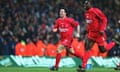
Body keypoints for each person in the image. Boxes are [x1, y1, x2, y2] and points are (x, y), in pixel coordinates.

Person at [77, 0, 118, 72]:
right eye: (85, 4)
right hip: (92, 34)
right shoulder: (86, 13)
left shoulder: (95, 11)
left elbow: (104, 19)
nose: (86, 5)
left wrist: (102, 29)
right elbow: (90, 24)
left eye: (87, 4)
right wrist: (87, 31)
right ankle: (83, 67)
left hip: (99, 34)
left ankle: (113, 43)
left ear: (90, 5)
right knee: (87, 48)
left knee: (102, 50)